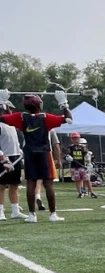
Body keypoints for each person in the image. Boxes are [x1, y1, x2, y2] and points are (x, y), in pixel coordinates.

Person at [0, 90, 71, 222]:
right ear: (39, 104)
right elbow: (69, 119)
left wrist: (1, 103)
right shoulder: (46, 117)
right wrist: (63, 103)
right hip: (44, 153)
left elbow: (1, 118)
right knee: (48, 184)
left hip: (30, 154)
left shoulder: (21, 117)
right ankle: (52, 214)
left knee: (31, 183)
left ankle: (32, 215)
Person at [0, 101, 28, 220]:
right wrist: (2, 159)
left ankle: (15, 211)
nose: (11, 111)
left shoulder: (12, 125)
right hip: (4, 157)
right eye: (9, 109)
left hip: (15, 156)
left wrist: (20, 151)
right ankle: (0, 212)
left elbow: (14, 141)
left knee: (14, 185)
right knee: (1, 186)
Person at [65, 132, 97, 198]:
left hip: (82, 166)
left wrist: (89, 164)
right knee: (77, 180)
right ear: (72, 139)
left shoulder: (83, 147)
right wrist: (68, 158)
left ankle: (91, 192)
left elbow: (87, 156)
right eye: (74, 139)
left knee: (87, 179)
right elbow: (66, 156)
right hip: (74, 167)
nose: (76, 140)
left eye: (77, 139)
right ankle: (80, 193)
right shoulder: (70, 147)